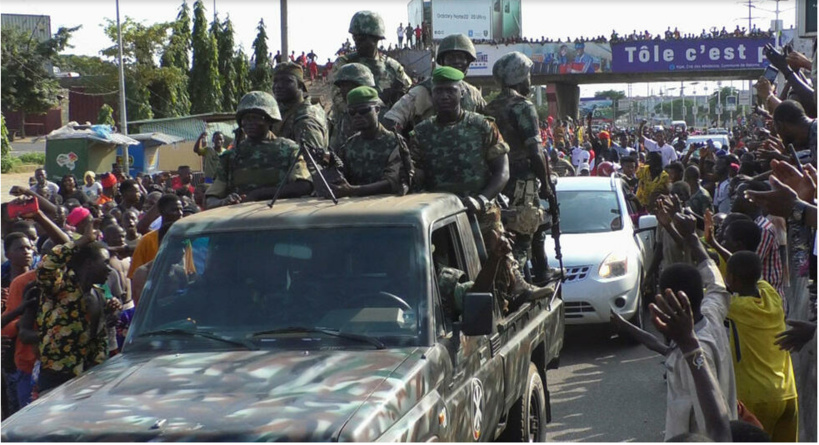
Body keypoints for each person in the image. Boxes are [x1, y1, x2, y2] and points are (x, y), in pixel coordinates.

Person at [409, 66, 554, 312]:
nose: (444, 96)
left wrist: (482, 199)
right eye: (439, 91)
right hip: (439, 216)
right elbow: (417, 174)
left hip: (480, 208)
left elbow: (502, 172)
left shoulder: (482, 126)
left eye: (450, 91)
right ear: (432, 95)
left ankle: (516, 289)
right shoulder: (421, 133)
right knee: (439, 269)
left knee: (499, 252)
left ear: (461, 93)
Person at [485, 51, 557, 284]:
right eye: (528, 75)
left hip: (497, 180)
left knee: (533, 225)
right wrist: (546, 184)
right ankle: (513, 284)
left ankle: (542, 269)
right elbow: (535, 151)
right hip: (522, 180)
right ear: (519, 77)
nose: (530, 81)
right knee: (523, 236)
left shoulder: (489, 108)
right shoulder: (522, 106)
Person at [36, 222, 122, 393]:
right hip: (57, 378)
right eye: (105, 262)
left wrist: (112, 311)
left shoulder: (99, 294)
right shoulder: (60, 288)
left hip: (89, 377)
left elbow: (97, 340)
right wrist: (81, 241)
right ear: (89, 263)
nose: (109, 269)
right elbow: (46, 267)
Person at [725, 251, 798, 442]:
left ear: (731, 278)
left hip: (756, 397)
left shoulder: (736, 307)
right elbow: (749, 271)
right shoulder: (771, 294)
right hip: (787, 393)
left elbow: (712, 294)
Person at [205, 91, 313, 209]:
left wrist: (258, 194)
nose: (250, 123)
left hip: (281, 214)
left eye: (256, 118)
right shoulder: (231, 156)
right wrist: (224, 202)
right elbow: (211, 199)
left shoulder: (289, 150)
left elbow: (304, 186)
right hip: (240, 216)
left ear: (269, 119)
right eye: (246, 118)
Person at [384, 34, 486, 134]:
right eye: (451, 57)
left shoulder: (473, 93)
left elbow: (488, 120)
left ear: (468, 61)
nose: (456, 61)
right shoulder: (422, 91)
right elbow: (392, 119)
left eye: (461, 57)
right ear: (442, 61)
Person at [328, 86, 408, 198]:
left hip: (389, 204)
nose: (357, 116)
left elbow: (393, 182)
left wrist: (353, 190)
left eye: (363, 110)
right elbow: (342, 177)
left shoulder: (395, 143)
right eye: (352, 112)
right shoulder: (349, 145)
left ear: (377, 110)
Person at [331, 11, 412, 113]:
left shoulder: (393, 67)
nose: (357, 42)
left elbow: (409, 94)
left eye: (362, 38)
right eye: (355, 37)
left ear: (376, 38)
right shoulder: (344, 63)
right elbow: (338, 98)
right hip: (352, 118)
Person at [271, 62, 329, 156]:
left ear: (300, 85)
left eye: (287, 81)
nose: (278, 85)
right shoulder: (287, 110)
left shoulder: (306, 121)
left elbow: (312, 161)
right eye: (275, 81)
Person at [127, 194, 184, 279]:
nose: (180, 213)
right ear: (162, 212)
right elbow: (134, 276)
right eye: (174, 210)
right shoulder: (147, 240)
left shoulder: (185, 238)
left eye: (181, 209)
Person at [327, 63, 376, 151]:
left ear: (362, 85)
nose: (342, 90)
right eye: (341, 86)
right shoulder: (342, 110)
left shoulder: (374, 111)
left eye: (346, 85)